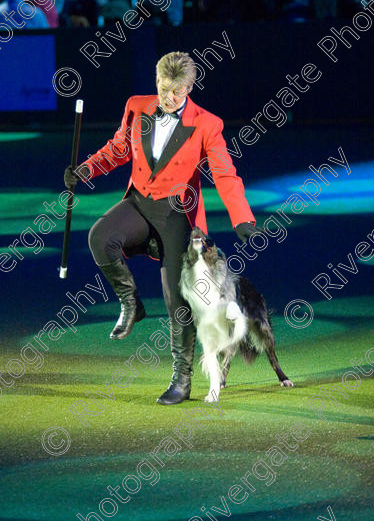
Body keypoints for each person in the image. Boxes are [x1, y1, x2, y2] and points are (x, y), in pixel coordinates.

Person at [64, 52, 257, 405]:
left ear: (190, 88)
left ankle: (181, 381)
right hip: (140, 201)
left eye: (176, 92)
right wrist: (87, 169)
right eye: (163, 89)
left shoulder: (207, 123)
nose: (167, 98)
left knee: (176, 301)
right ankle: (130, 303)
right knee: (99, 237)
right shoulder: (137, 107)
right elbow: (119, 148)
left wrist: (242, 217)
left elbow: (225, 172)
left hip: (177, 214)